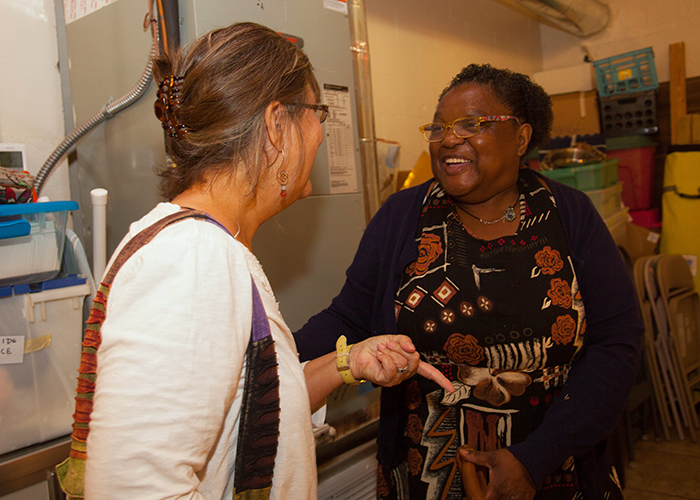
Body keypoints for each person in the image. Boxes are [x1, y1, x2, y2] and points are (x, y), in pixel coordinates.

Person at [56, 22, 453, 500]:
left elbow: (252, 420)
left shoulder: (209, 248)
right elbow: (130, 487)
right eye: (317, 114)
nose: (322, 134)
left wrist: (347, 364)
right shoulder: (193, 260)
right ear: (276, 125)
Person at [294, 63, 643, 500]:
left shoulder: (568, 214)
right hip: (427, 474)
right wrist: (268, 360)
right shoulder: (404, 217)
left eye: (470, 124)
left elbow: (617, 341)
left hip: (558, 468)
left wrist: (535, 460)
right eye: (438, 127)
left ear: (521, 137)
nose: (449, 138)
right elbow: (348, 317)